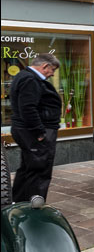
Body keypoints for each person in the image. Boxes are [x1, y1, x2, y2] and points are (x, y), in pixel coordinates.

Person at [10, 54, 62, 203]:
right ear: (45, 66)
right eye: (52, 70)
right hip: (34, 131)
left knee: (28, 167)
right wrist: (39, 132)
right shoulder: (30, 79)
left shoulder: (25, 76)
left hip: (27, 130)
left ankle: (19, 202)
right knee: (40, 169)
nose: (52, 74)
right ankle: (35, 206)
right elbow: (28, 108)